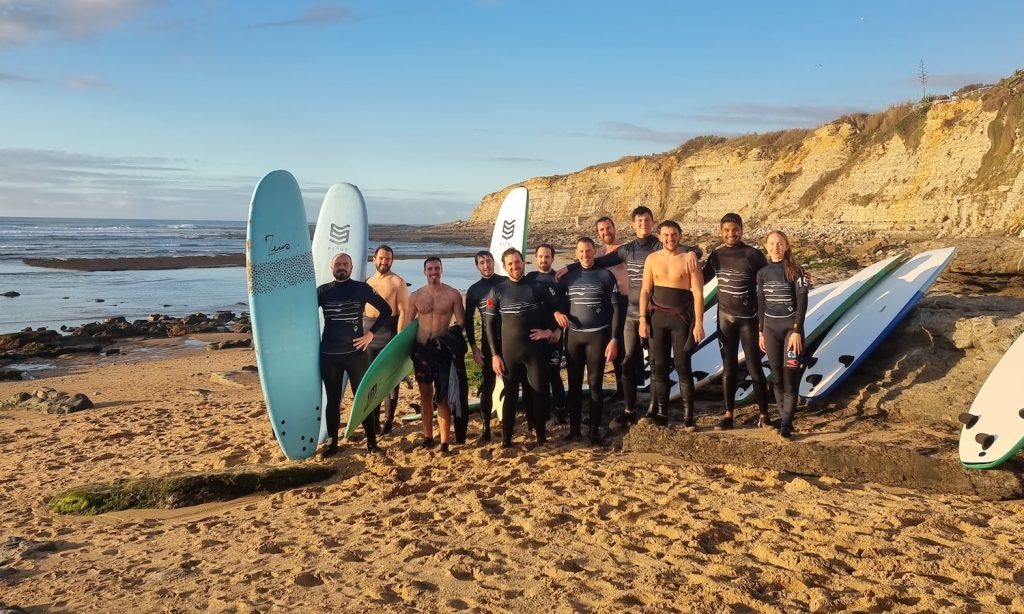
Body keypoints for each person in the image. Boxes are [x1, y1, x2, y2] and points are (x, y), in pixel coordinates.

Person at [557, 206, 699, 429]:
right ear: (633, 225)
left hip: (654, 312)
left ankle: (654, 407)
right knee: (626, 361)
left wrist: (693, 252)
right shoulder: (626, 250)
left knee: (655, 362)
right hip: (630, 313)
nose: (643, 224)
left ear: (653, 223)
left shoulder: (659, 244)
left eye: (647, 220)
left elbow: (689, 250)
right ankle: (629, 410)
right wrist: (569, 267)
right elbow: (597, 262)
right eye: (639, 221)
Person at [317, 252, 393, 457]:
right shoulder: (322, 292)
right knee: (332, 401)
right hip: (329, 355)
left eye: (345, 264)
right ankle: (332, 444)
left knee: (363, 398)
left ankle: (371, 443)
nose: (341, 267)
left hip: (356, 354)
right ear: (332, 268)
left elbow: (386, 310)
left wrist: (370, 334)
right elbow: (304, 316)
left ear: (351, 268)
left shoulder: (362, 288)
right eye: (338, 264)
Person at [485, 248, 561, 448]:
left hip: (535, 352)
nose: (514, 266)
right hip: (509, 353)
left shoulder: (537, 287)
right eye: (510, 263)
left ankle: (541, 436)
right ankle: (507, 440)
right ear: (504, 266)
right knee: (510, 395)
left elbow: (557, 310)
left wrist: (550, 331)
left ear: (523, 262)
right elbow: (490, 325)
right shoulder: (498, 290)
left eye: (517, 262)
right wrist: (495, 355)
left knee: (539, 392)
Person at [702, 214, 771, 430]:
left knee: (754, 367)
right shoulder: (716, 256)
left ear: (742, 230)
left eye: (735, 229)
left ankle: (764, 415)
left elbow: (768, 284)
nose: (731, 234)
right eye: (726, 230)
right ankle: (728, 415)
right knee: (728, 368)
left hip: (748, 319)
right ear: (720, 231)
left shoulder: (753, 255)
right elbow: (699, 279)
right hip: (725, 319)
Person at [554, 237, 621, 444]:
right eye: (581, 252)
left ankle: (593, 432)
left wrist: (614, 339)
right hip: (574, 336)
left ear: (595, 252)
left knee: (594, 384)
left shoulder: (606, 275)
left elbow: (617, 310)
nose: (585, 255)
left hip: (598, 336)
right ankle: (574, 431)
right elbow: (558, 305)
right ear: (576, 253)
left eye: (589, 251)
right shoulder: (568, 278)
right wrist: (556, 312)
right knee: (573, 385)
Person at [638, 221, 704, 430]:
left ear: (680, 236)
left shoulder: (689, 259)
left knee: (683, 366)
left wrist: (699, 323)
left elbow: (699, 293)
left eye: (674, 234)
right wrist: (642, 319)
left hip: (681, 320)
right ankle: (662, 413)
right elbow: (645, 291)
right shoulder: (652, 259)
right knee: (658, 367)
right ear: (659, 237)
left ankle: (688, 416)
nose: (670, 238)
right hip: (657, 319)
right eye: (666, 235)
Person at [408, 257, 467, 452]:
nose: (434, 271)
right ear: (424, 271)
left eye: (437, 268)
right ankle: (428, 437)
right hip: (422, 349)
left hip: (442, 350)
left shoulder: (452, 294)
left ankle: (444, 442)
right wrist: (403, 356)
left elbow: (461, 321)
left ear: (442, 270)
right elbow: (406, 327)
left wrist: (449, 336)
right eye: (430, 268)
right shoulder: (415, 296)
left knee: (442, 397)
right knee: (425, 395)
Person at [757, 230, 808, 439]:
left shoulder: (797, 271)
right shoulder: (762, 273)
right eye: (772, 243)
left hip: (791, 330)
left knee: (789, 377)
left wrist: (797, 330)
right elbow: (760, 304)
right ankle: (784, 416)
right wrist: (760, 332)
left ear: (787, 246)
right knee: (776, 377)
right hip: (770, 328)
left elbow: (803, 303)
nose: (776, 246)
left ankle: (786, 425)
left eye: (780, 243)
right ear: (766, 247)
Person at [364, 245, 410, 435]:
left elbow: (404, 312)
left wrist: (398, 340)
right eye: (381, 258)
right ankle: (374, 420)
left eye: (388, 259)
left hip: (388, 333)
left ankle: (389, 421)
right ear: (373, 259)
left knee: (390, 381)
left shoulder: (398, 282)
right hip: (369, 335)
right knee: (371, 381)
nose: (385, 262)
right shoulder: (367, 281)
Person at [464, 250, 506, 443]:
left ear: (493, 262)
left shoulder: (505, 282)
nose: (486, 265)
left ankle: (524, 423)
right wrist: (474, 348)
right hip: (488, 345)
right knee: (487, 386)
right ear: (477, 266)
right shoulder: (474, 290)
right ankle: (485, 428)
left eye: (488, 261)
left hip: (510, 342)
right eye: (482, 263)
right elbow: (468, 321)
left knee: (515, 382)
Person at [525, 244, 567, 421]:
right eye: (540, 257)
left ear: (552, 258)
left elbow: (565, 307)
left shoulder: (559, 278)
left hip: (553, 334)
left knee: (554, 373)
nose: (543, 260)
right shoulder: (530, 278)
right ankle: (544, 410)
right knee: (538, 375)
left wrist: (557, 330)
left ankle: (561, 410)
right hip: (535, 335)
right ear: (535, 258)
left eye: (547, 257)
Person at [595, 216, 629, 399]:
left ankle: (630, 388)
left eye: (608, 228)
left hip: (626, 302)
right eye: (602, 229)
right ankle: (620, 388)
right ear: (598, 233)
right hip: (606, 305)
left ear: (614, 228)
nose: (606, 232)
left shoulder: (626, 249)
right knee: (612, 346)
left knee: (626, 348)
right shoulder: (598, 254)